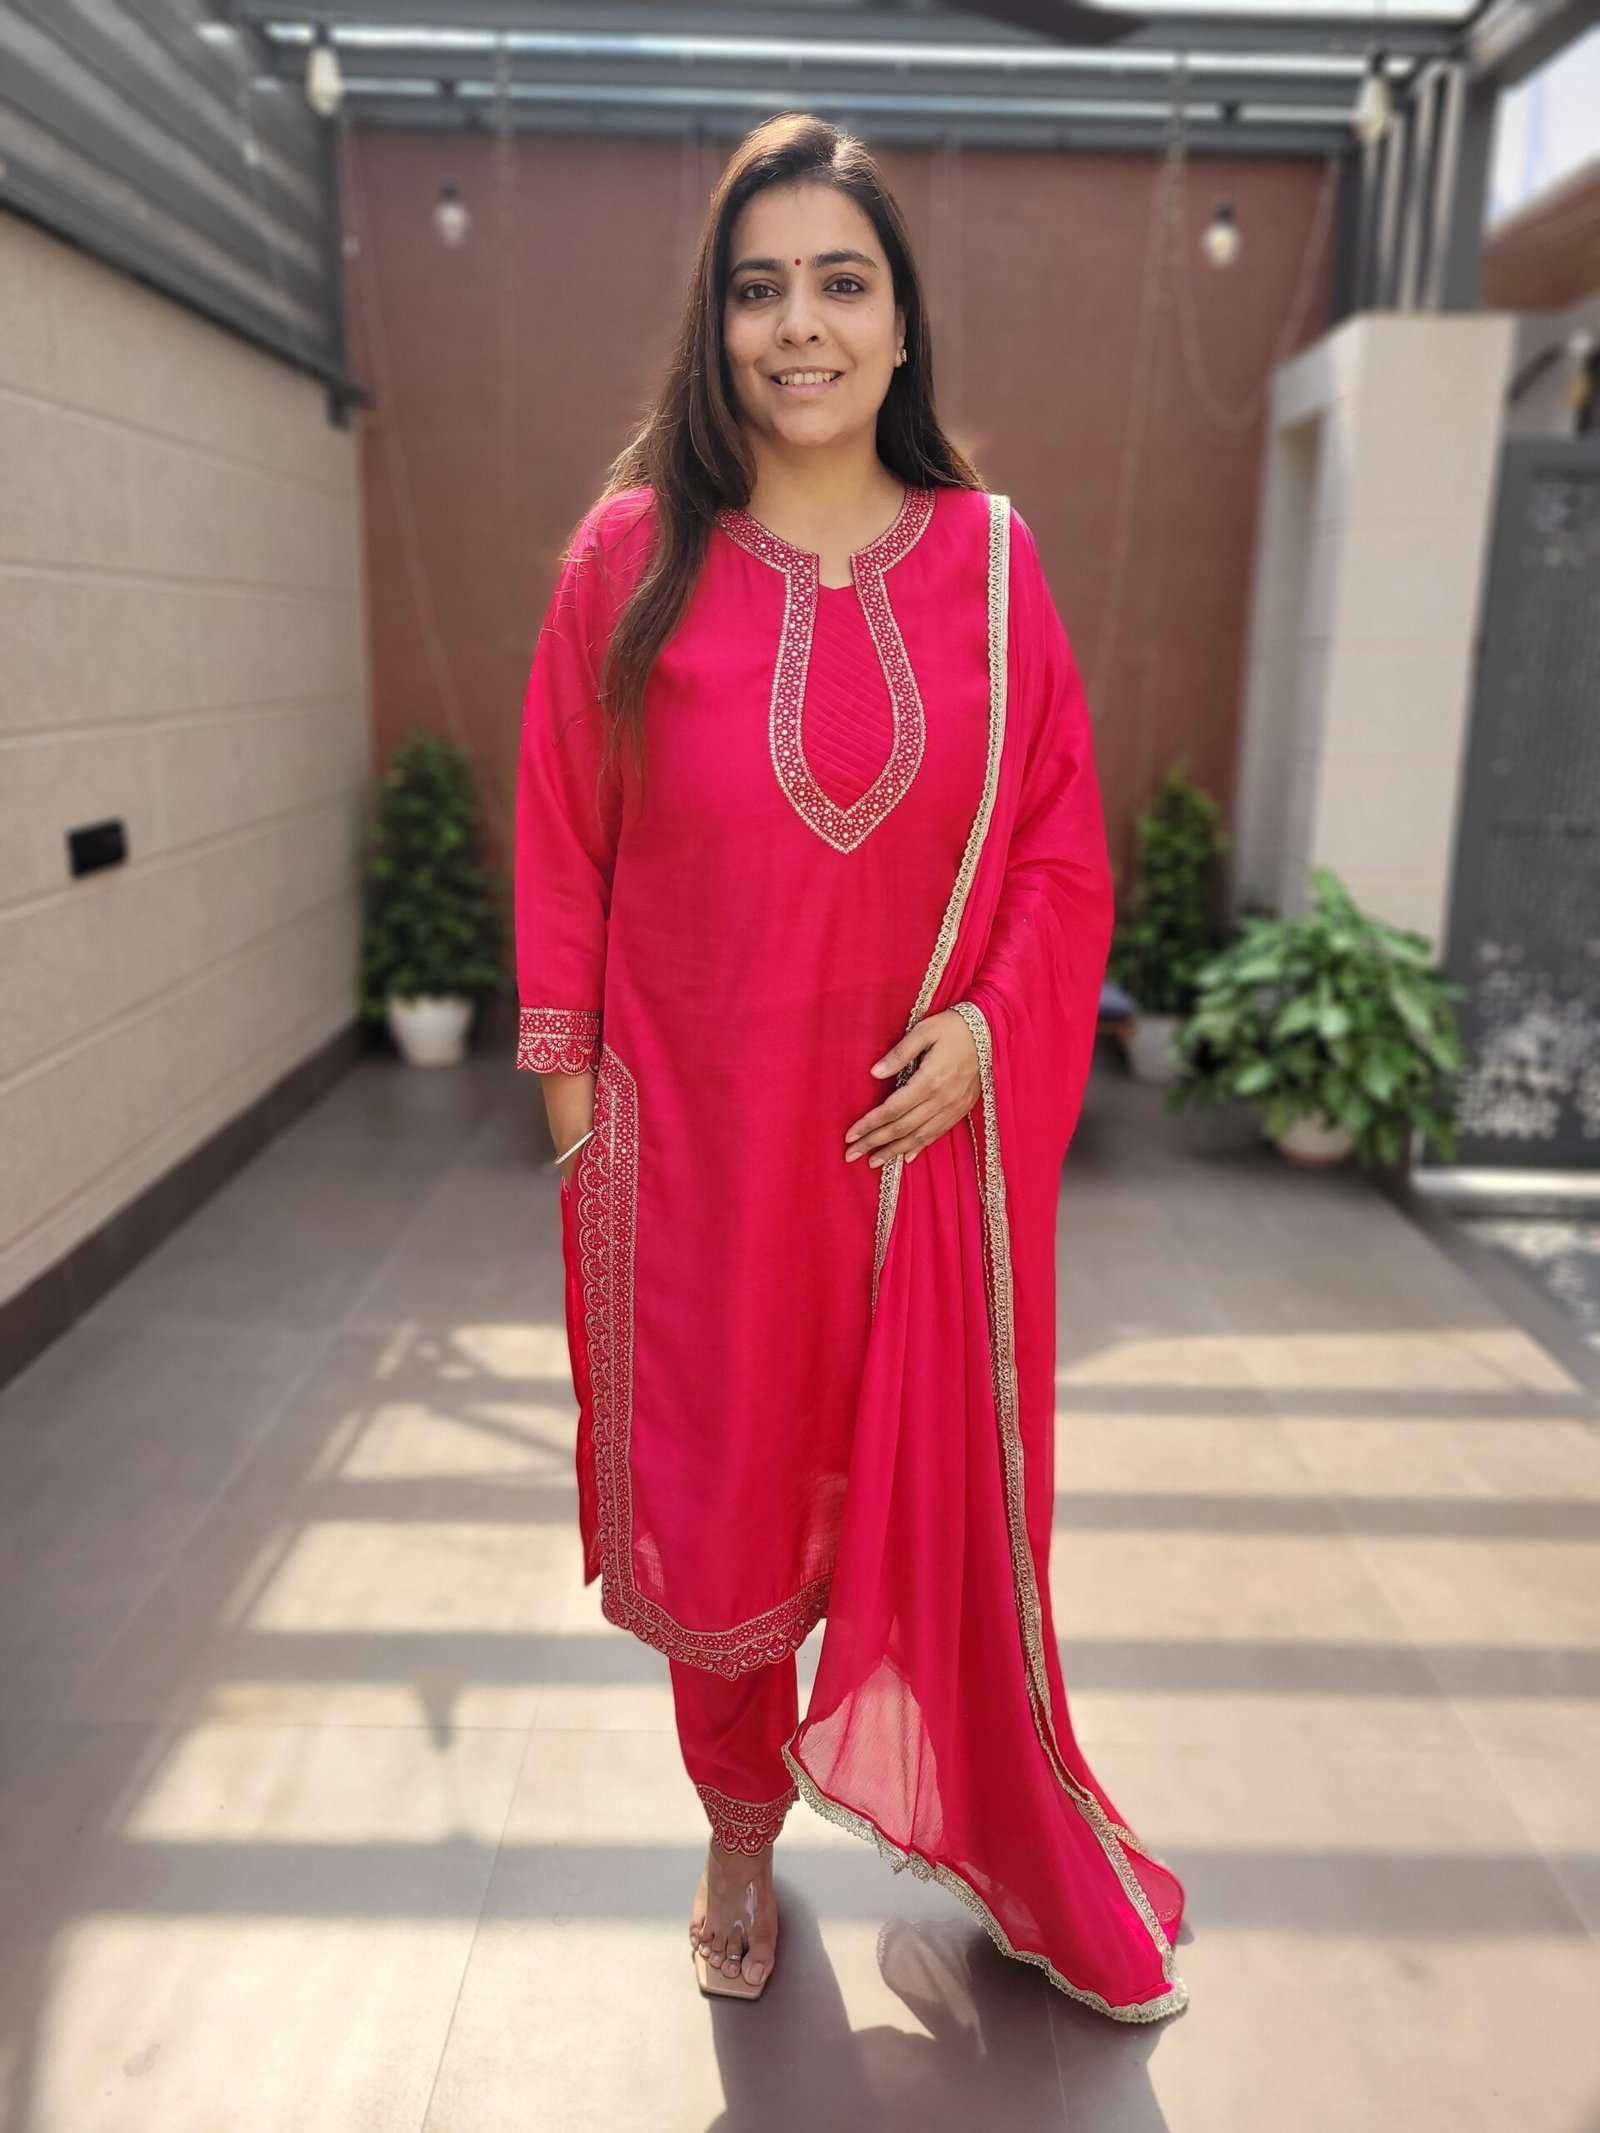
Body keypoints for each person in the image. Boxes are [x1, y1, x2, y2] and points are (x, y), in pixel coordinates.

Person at [515, 110, 1189, 2020]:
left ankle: (993, 1818)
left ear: (902, 326)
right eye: (758, 289)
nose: (797, 325)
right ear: (715, 324)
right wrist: (581, 1129)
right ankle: (738, 1825)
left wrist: (989, 1032)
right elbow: (562, 841)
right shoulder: (632, 556)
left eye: (840, 283)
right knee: (724, 1512)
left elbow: (1059, 847)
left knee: (920, 1492)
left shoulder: (989, 563)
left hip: (915, 1158)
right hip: (697, 1151)